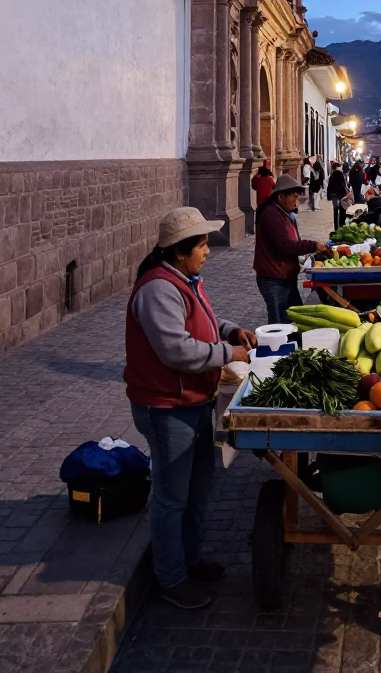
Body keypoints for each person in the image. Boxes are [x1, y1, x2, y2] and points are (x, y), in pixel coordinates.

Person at [124, 207, 258, 610]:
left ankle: (190, 558)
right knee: (171, 497)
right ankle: (170, 577)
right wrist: (227, 352)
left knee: (199, 488)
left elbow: (201, 321)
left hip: (195, 402)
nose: (207, 251)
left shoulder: (185, 280)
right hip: (167, 408)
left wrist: (230, 329)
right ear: (180, 251)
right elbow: (176, 349)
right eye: (201, 245)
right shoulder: (157, 289)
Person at [254, 174, 330, 323]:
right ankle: (278, 346)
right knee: (279, 322)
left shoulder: (284, 213)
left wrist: (307, 253)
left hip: (285, 275)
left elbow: (294, 240)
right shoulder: (272, 214)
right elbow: (285, 245)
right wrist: (313, 245)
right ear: (281, 196)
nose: (296, 201)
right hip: (274, 277)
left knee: (293, 317)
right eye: (293, 197)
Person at [326, 161, 349, 232]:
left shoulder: (332, 175)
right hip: (340, 195)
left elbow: (329, 186)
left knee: (335, 211)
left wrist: (328, 196)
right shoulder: (340, 174)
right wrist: (346, 194)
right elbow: (343, 185)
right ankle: (341, 226)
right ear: (338, 167)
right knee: (342, 210)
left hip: (333, 196)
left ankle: (336, 228)